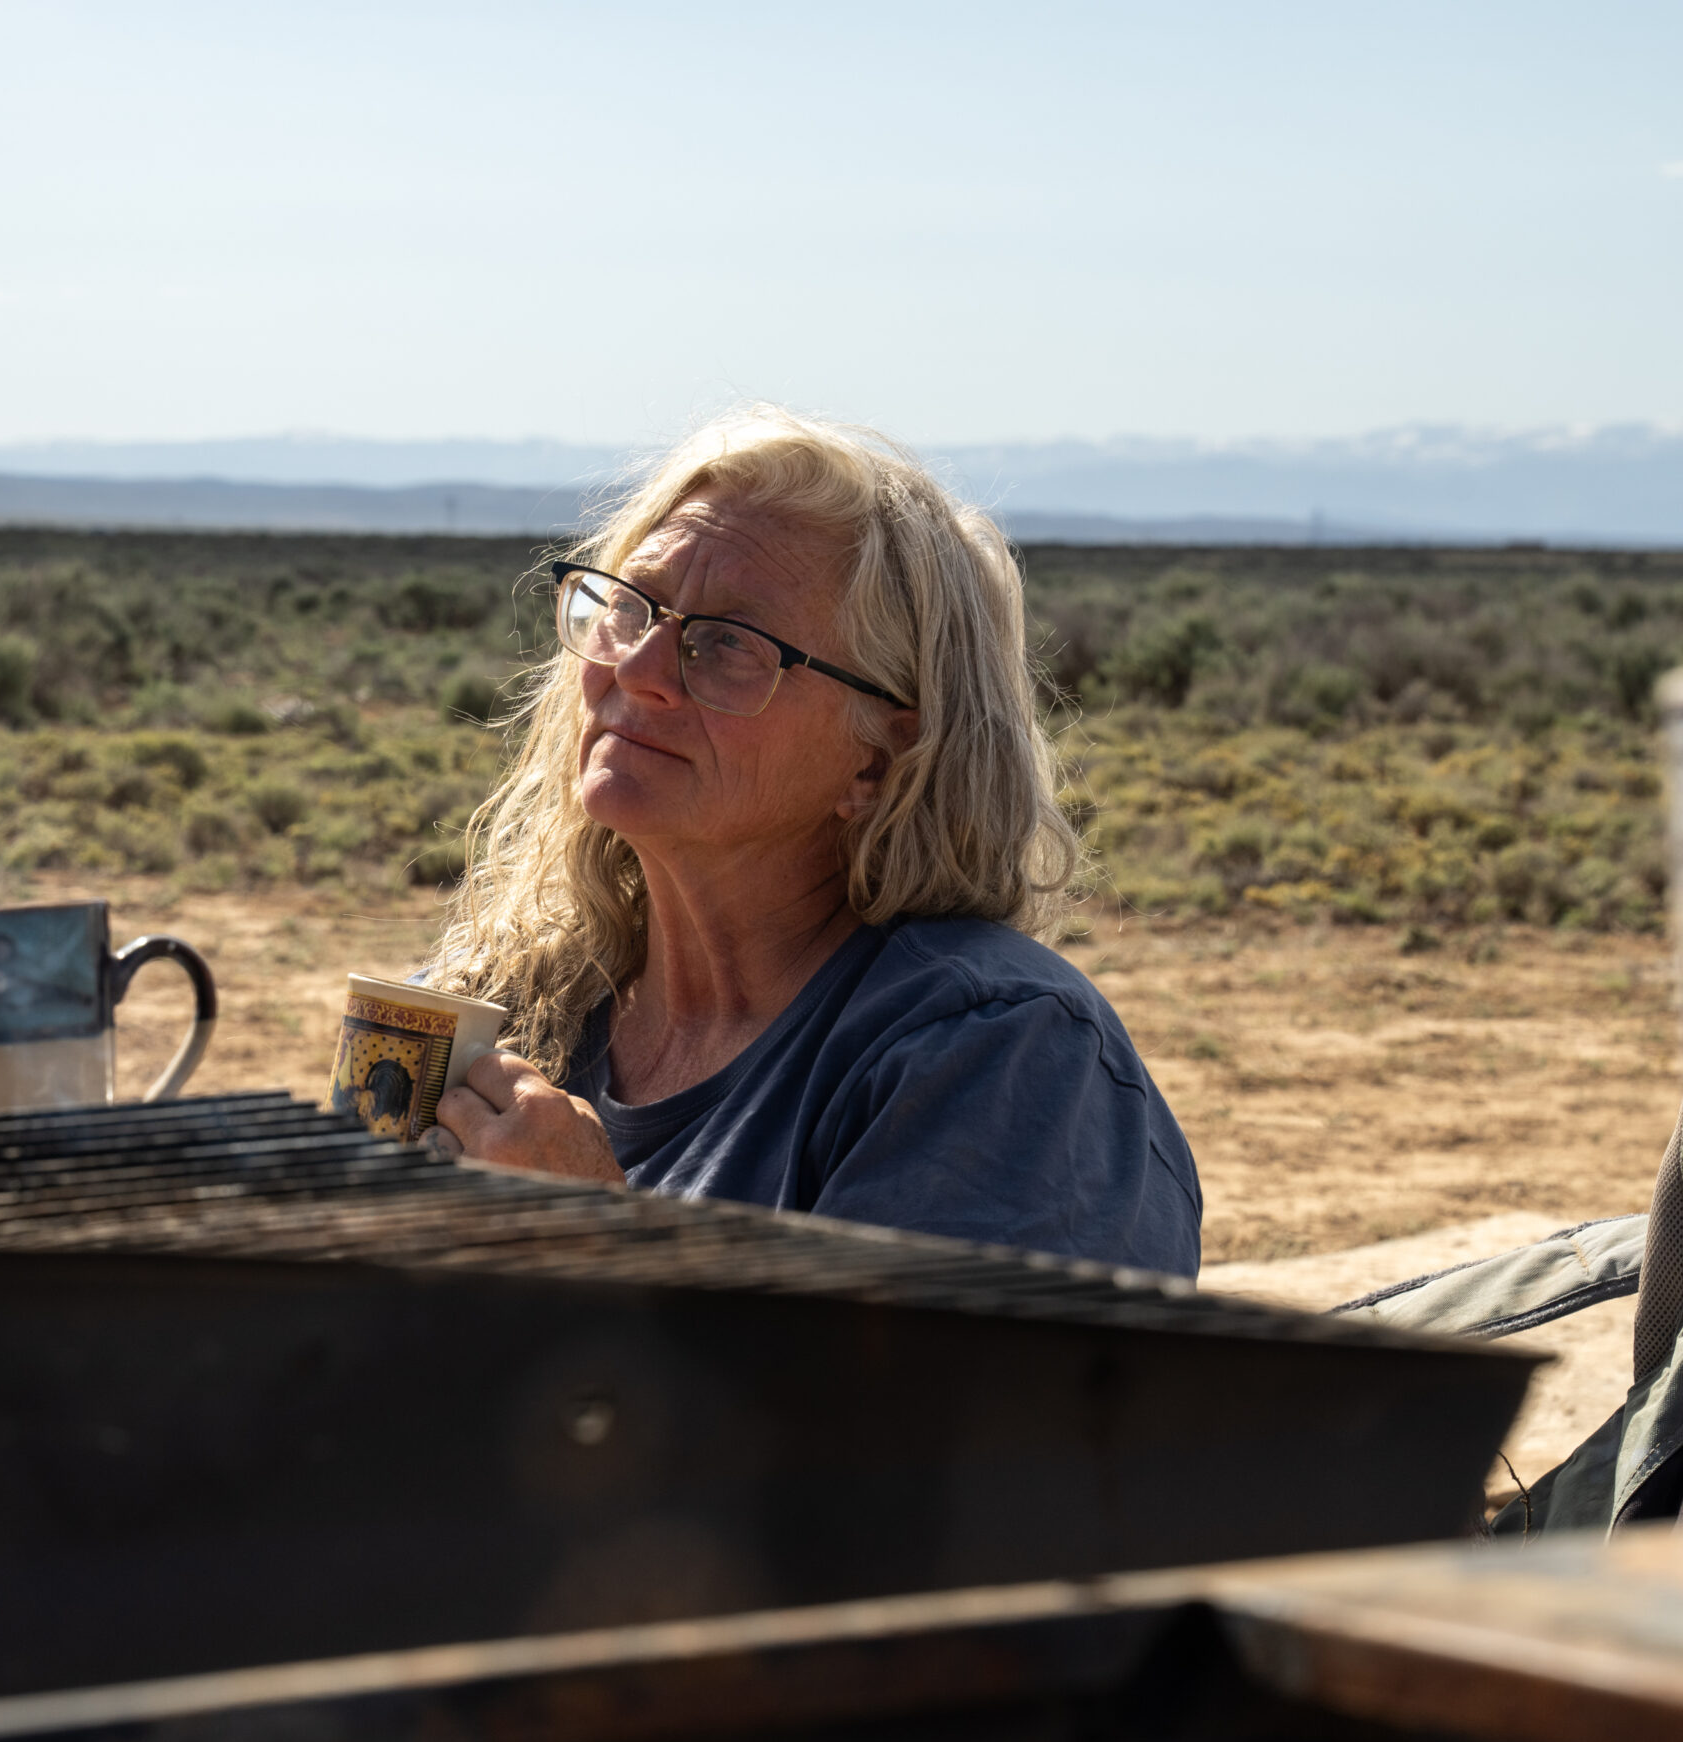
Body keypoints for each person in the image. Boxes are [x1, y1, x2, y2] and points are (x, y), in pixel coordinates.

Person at [421, 406, 1201, 1278]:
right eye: (631, 608)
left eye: (727, 643)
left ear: (881, 758)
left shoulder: (999, 1057)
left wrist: (601, 1243)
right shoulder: (510, 1001)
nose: (636, 670)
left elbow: (933, 1376)